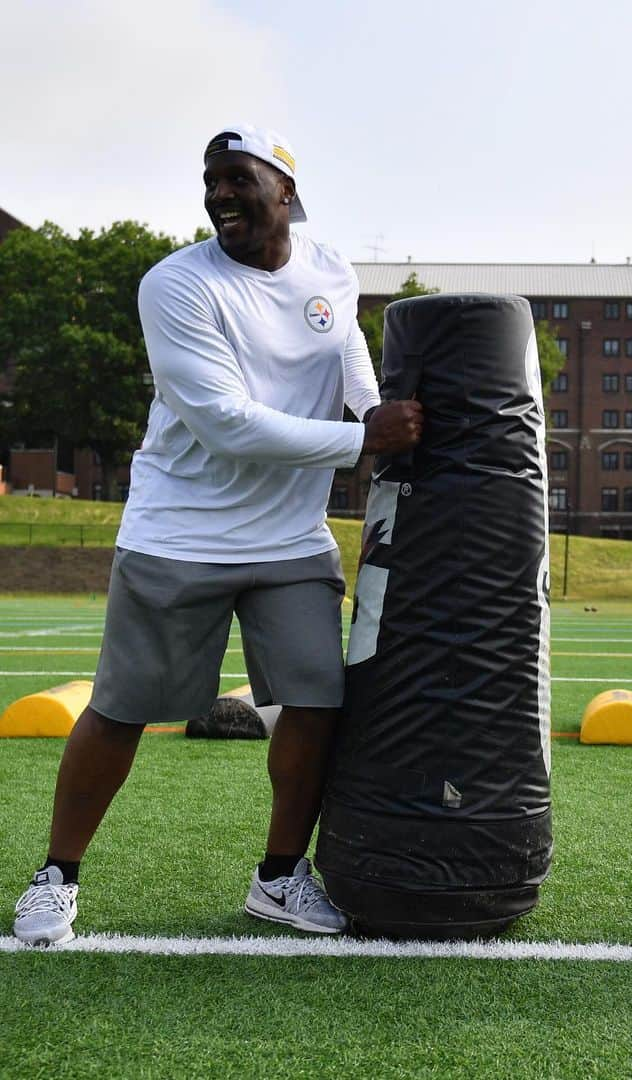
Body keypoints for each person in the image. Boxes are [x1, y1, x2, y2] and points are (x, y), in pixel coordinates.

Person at [12, 123, 423, 946]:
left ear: (286, 192)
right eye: (211, 180)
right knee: (122, 711)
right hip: (180, 533)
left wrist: (371, 413)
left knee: (314, 704)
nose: (220, 194)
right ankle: (57, 874)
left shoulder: (331, 270)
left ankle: (278, 878)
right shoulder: (175, 285)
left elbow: (347, 361)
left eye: (238, 178)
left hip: (291, 540)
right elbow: (227, 424)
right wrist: (363, 440)